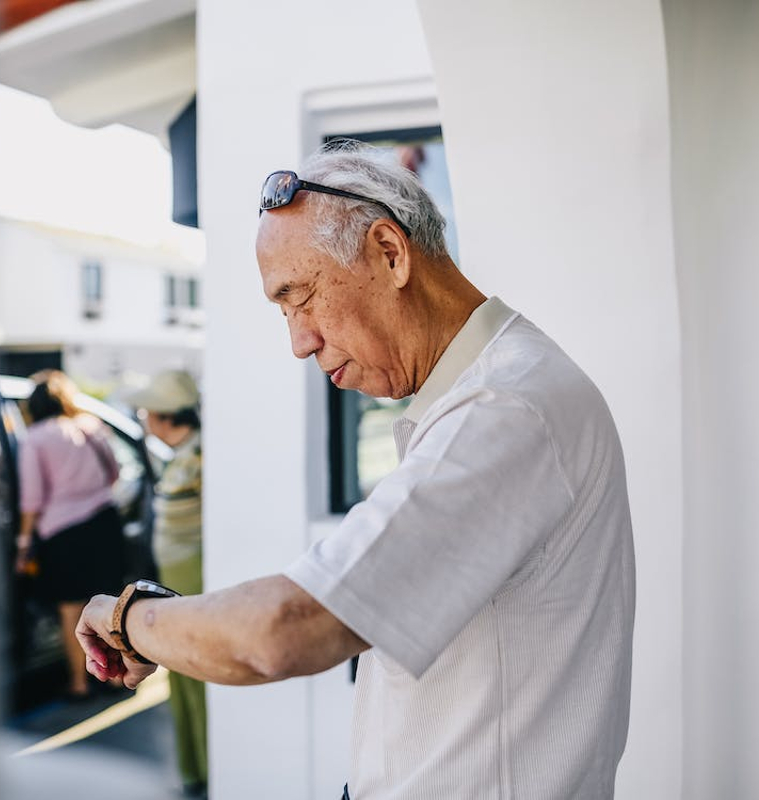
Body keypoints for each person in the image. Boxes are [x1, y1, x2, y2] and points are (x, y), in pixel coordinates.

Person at [76, 143, 636, 798]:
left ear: (390, 253)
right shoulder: (495, 393)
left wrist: (128, 617)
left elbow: (285, 630)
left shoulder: (504, 410)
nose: (299, 341)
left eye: (301, 297)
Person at [16, 369, 125, 700]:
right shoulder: (91, 426)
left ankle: (79, 683)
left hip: (64, 533)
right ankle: (118, 678)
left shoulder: (35, 438)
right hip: (104, 523)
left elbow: (32, 499)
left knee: (71, 610)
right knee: (111, 604)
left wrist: (23, 544)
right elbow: (115, 473)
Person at [125, 370, 207, 798]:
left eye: (146, 411)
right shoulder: (181, 457)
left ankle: (208, 770)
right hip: (177, 583)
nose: (142, 418)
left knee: (196, 672)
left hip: (194, 585)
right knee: (180, 674)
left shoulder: (201, 457)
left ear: (163, 415)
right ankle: (194, 770)